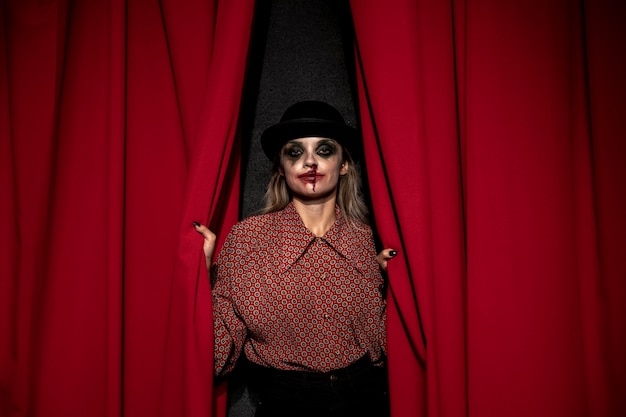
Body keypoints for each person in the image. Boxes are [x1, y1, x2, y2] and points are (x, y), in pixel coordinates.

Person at [194, 101, 396, 417]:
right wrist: (197, 281)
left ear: (344, 164)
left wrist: (397, 289)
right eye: (295, 152)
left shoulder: (370, 240)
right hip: (283, 406)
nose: (310, 162)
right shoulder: (247, 240)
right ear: (281, 167)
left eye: (325, 150)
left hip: (367, 403)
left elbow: (393, 349)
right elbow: (216, 358)